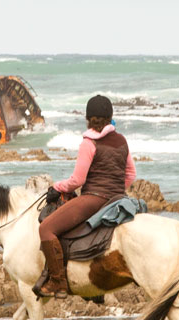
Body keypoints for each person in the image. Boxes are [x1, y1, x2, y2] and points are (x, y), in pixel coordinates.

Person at [34, 95, 136, 299]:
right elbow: (131, 174)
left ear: (88, 119)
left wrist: (57, 186)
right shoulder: (122, 140)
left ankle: (58, 282)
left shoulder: (89, 143)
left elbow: (77, 180)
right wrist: (115, 190)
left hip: (94, 199)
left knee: (46, 229)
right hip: (118, 199)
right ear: (110, 117)